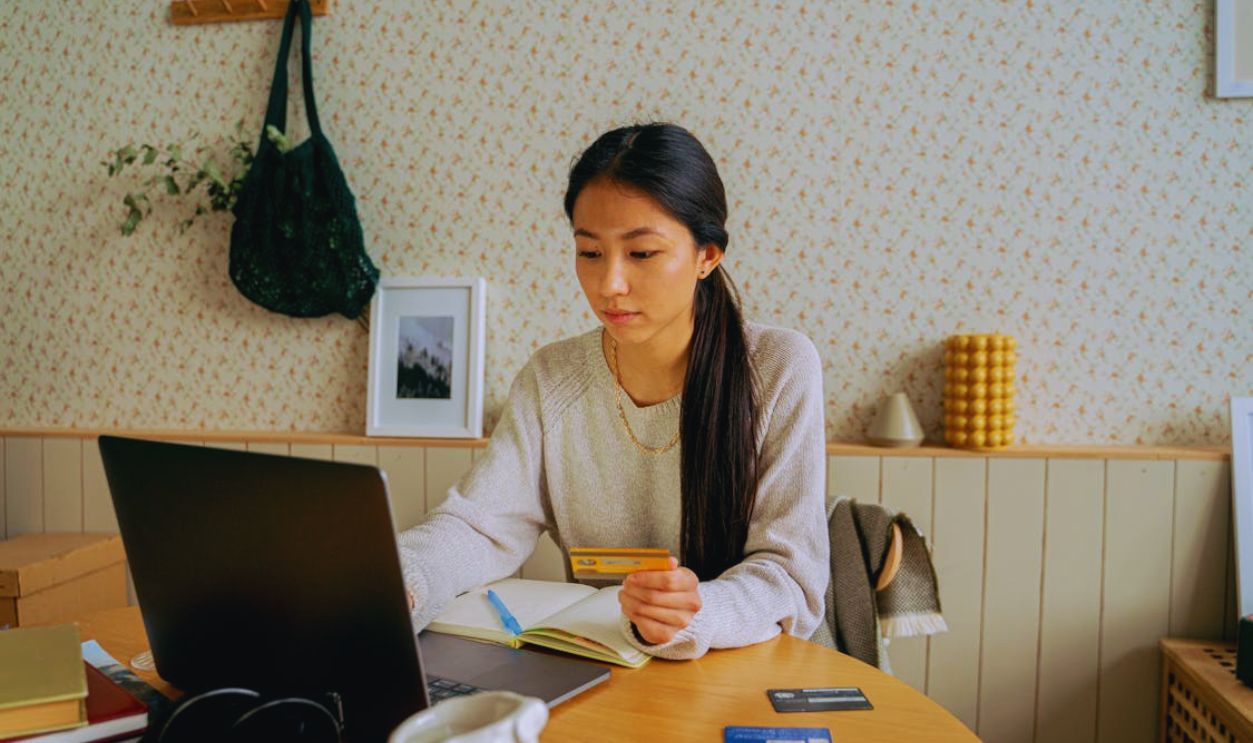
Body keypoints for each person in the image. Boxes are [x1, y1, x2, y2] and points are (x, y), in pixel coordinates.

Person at [398, 123, 828, 659]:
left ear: (707, 255)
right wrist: (402, 578)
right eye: (590, 253)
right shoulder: (552, 376)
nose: (609, 285)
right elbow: (481, 527)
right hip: (609, 672)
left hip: (750, 670)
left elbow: (790, 574)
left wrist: (697, 613)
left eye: (642, 253)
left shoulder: (779, 367)